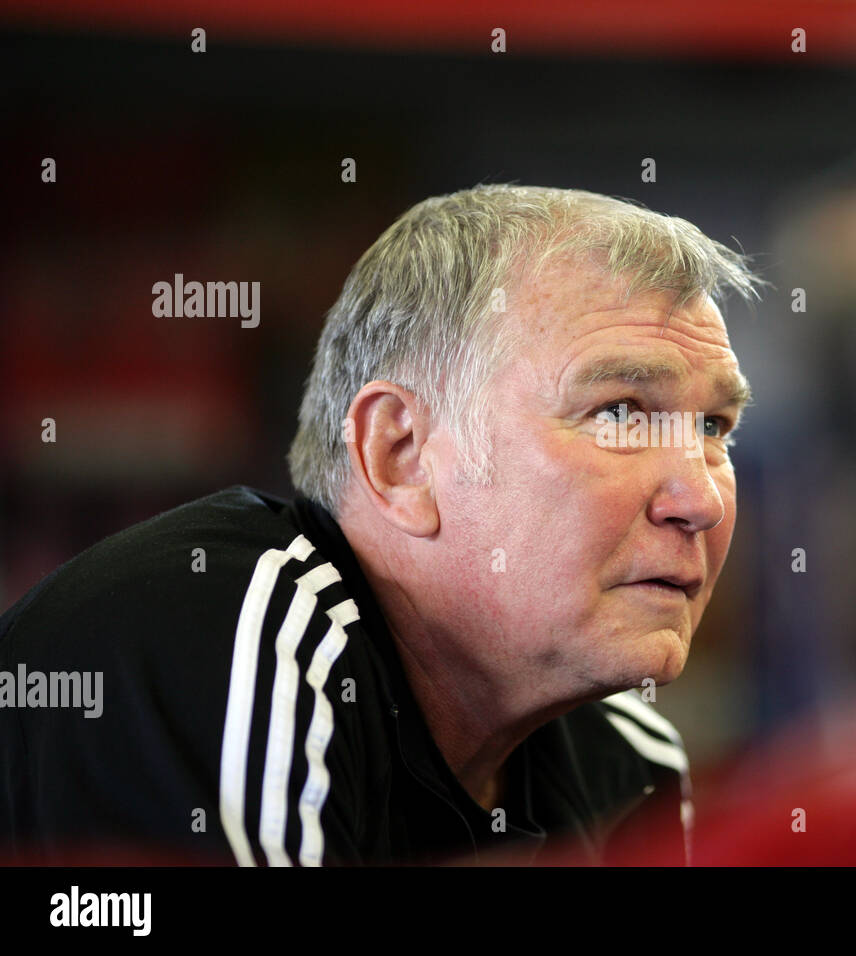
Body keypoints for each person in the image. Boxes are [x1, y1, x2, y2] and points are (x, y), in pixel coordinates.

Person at [0, 184, 763, 865]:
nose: (702, 500)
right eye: (620, 412)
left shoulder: (626, 760)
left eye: (715, 426)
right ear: (400, 455)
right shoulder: (226, 629)